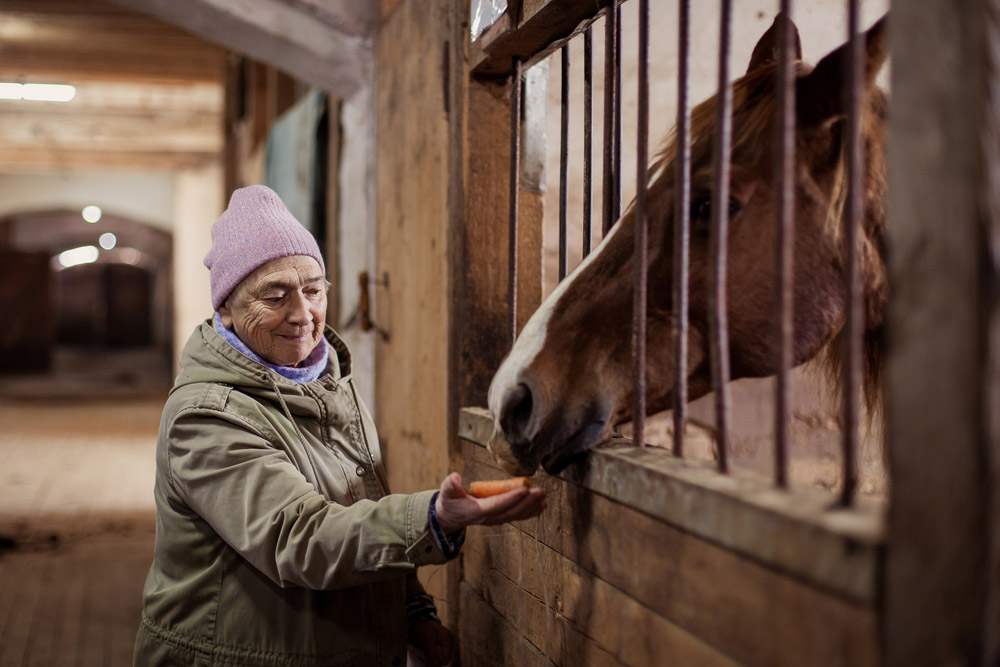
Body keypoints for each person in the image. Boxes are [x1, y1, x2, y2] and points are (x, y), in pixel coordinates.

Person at [134, 185, 546, 666]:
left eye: (313, 290)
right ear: (225, 307)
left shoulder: (327, 387)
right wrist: (433, 517)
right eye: (275, 295)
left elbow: (360, 508)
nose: (302, 313)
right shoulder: (206, 416)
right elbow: (298, 538)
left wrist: (413, 614)